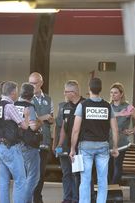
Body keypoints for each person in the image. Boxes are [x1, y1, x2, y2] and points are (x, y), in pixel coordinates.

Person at [70, 77, 119, 203]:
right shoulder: (108, 106)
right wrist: (115, 147)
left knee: (85, 179)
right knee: (102, 179)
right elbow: (115, 129)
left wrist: (72, 149)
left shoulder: (83, 105)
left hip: (85, 146)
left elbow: (75, 130)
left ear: (89, 88)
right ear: (101, 89)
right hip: (103, 146)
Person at [0, 81, 30, 203]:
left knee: (3, 182)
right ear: (13, 93)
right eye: (16, 91)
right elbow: (24, 126)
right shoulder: (10, 106)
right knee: (20, 180)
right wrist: (26, 115)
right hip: (10, 147)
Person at [55, 80, 85, 203]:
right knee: (66, 173)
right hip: (66, 146)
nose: (64, 93)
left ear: (74, 92)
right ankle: (67, 198)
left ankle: (76, 199)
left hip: (79, 146)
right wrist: (59, 144)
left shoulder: (84, 104)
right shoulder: (65, 106)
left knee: (76, 174)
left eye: (66, 91)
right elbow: (63, 128)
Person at [108, 82, 135, 184]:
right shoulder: (107, 106)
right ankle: (110, 190)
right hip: (108, 141)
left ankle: (114, 189)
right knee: (108, 167)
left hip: (121, 143)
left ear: (121, 94)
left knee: (117, 166)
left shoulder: (128, 107)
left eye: (115, 92)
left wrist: (133, 130)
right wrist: (119, 114)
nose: (113, 95)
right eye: (111, 93)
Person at [29, 72, 55, 203]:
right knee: (31, 173)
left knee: (41, 172)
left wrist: (50, 120)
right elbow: (28, 120)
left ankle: (37, 197)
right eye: (30, 83)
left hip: (44, 140)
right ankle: (31, 198)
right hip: (30, 142)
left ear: (41, 83)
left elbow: (51, 117)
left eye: (35, 83)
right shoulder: (27, 99)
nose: (32, 86)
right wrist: (43, 118)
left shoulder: (48, 99)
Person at [14, 83, 41, 203]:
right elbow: (33, 126)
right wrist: (40, 122)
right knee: (33, 177)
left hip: (15, 145)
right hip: (29, 146)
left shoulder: (13, 105)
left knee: (19, 178)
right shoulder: (29, 107)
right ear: (32, 95)